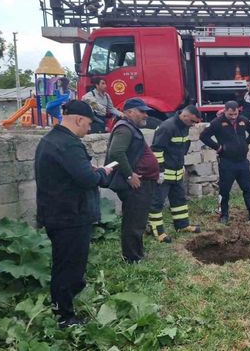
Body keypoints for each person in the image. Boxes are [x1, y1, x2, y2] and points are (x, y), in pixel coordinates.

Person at [35, 100, 113, 328]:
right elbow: (87, 178)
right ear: (78, 119)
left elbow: (75, 172)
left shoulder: (51, 140)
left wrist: (92, 171)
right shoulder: (68, 144)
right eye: (89, 124)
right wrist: (103, 173)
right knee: (68, 267)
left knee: (65, 264)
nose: (90, 130)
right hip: (69, 215)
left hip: (60, 213)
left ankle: (65, 308)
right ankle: (65, 318)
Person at [105, 98, 159, 263]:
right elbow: (116, 152)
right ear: (129, 112)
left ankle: (137, 253)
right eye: (141, 111)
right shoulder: (124, 128)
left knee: (138, 220)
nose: (145, 115)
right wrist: (130, 175)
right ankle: (131, 258)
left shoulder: (131, 128)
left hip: (142, 183)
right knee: (133, 222)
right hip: (135, 184)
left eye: (145, 112)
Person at [199, 101, 250, 224]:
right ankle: (224, 215)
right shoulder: (217, 122)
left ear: (238, 111)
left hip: (242, 162)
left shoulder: (243, 120)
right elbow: (203, 136)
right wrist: (218, 147)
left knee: (248, 188)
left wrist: (245, 143)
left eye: (235, 114)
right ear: (225, 111)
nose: (233, 117)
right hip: (227, 162)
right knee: (224, 190)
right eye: (230, 114)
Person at [148, 105, 202, 243]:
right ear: (184, 116)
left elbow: (180, 149)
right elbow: (156, 150)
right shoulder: (167, 127)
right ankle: (157, 232)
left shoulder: (184, 126)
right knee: (157, 203)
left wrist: (181, 165)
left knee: (179, 201)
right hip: (165, 174)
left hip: (177, 172)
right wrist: (159, 171)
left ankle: (182, 226)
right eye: (192, 121)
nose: (194, 125)